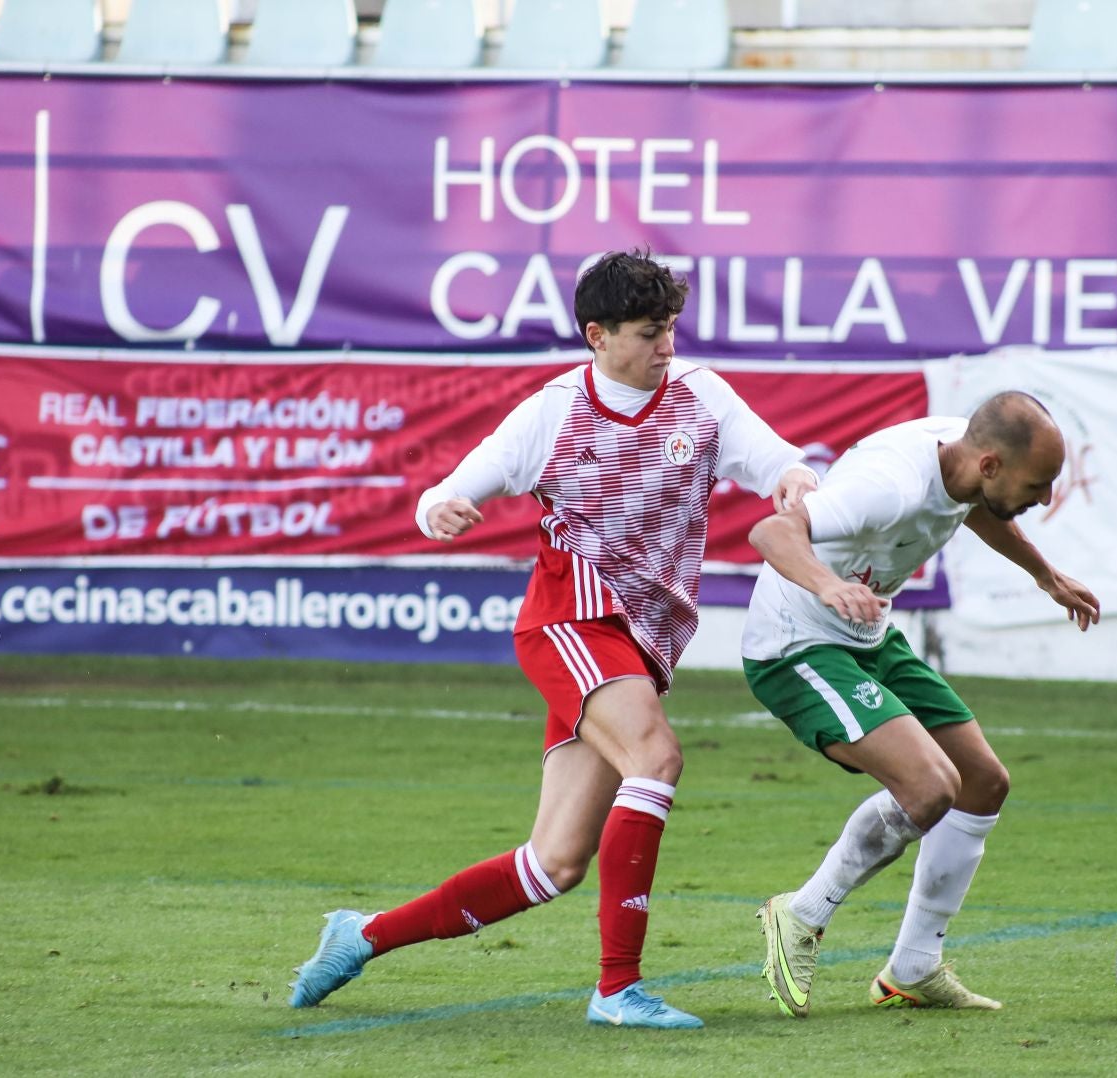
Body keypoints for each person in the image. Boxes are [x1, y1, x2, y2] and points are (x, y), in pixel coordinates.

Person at [288, 251, 816, 1030]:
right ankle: (617, 990)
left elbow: (775, 459)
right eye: (647, 332)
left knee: (554, 864)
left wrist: (796, 477)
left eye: (670, 328)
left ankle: (362, 935)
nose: (666, 346)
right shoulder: (556, 410)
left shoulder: (702, 397)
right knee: (656, 758)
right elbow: (463, 480)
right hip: (571, 617)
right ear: (597, 335)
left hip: (642, 637)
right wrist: (440, 506)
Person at [742, 392, 1100, 1017]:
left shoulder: (964, 462)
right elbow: (772, 530)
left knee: (983, 783)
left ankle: (913, 967)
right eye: (1037, 485)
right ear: (990, 464)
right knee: (931, 787)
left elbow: (974, 508)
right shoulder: (889, 487)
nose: (1044, 499)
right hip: (796, 645)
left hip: (868, 635)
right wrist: (829, 585)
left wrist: (1044, 574)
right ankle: (799, 915)